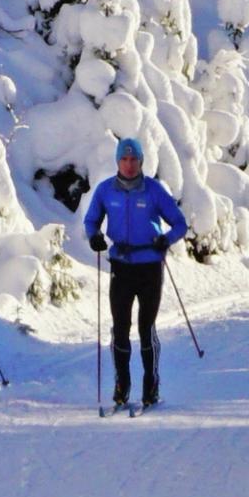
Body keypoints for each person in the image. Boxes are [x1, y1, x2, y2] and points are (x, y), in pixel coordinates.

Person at [81, 138, 189, 413]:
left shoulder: (153, 190)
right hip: (121, 264)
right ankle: (121, 385)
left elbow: (179, 223)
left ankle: (150, 385)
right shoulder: (106, 190)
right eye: (124, 160)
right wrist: (94, 237)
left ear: (141, 162)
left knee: (146, 327)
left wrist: (166, 239)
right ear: (118, 161)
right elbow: (91, 220)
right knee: (120, 327)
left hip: (150, 265)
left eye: (134, 160)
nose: (129, 165)